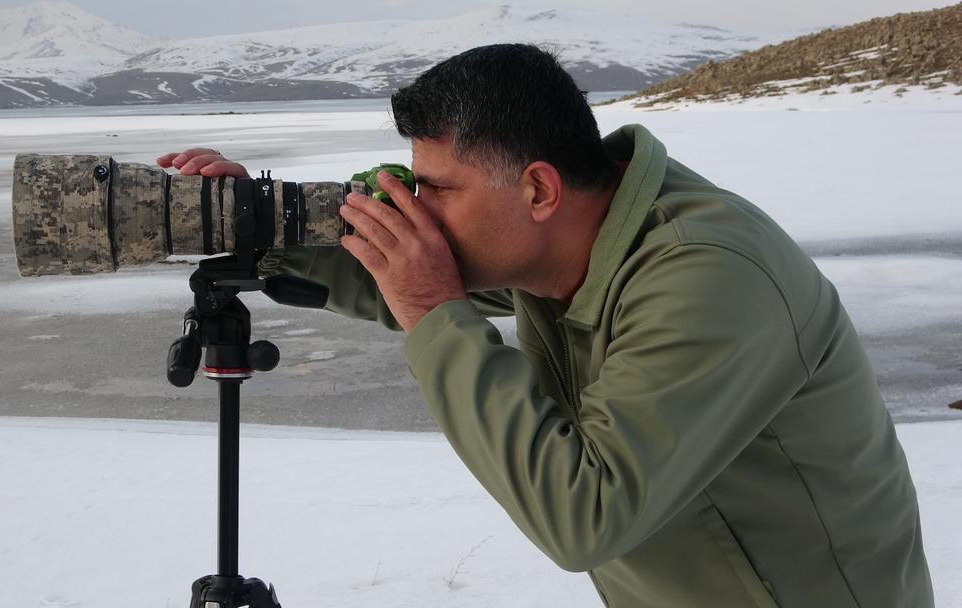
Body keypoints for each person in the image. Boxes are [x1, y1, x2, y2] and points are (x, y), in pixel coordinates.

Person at [157, 44, 933, 607]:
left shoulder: (708, 276)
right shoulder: (571, 241)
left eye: (436, 190)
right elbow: (411, 271)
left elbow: (585, 516)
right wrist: (261, 236)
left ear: (537, 190)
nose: (417, 212)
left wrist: (434, 315)